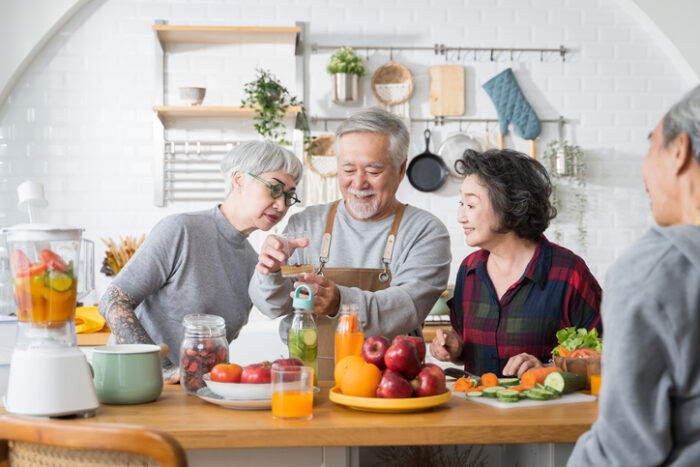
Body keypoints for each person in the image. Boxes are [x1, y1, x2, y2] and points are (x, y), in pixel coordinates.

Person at [249, 108, 451, 380]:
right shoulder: (306, 224)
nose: (358, 182)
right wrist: (270, 271)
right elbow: (273, 306)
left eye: (373, 170)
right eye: (347, 169)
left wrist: (340, 303)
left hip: (390, 390)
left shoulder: (425, 231)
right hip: (307, 384)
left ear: (401, 169)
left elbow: (406, 308)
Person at [568, 86, 700, 466]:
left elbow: (623, 453)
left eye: (651, 146)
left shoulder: (654, 271)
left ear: (679, 152)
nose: (644, 170)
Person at [98, 141, 303, 383]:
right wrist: (159, 367)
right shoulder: (181, 230)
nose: (282, 205)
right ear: (238, 180)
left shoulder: (253, 263)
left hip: (196, 392)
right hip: (133, 383)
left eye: (290, 196)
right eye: (275, 189)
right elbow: (114, 300)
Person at [429, 148, 601, 377]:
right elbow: (467, 347)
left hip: (546, 411)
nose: (461, 216)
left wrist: (548, 370)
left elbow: (608, 355)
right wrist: (455, 347)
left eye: (470, 205)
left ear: (510, 205)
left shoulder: (569, 273)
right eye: (461, 204)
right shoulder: (469, 269)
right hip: (478, 411)